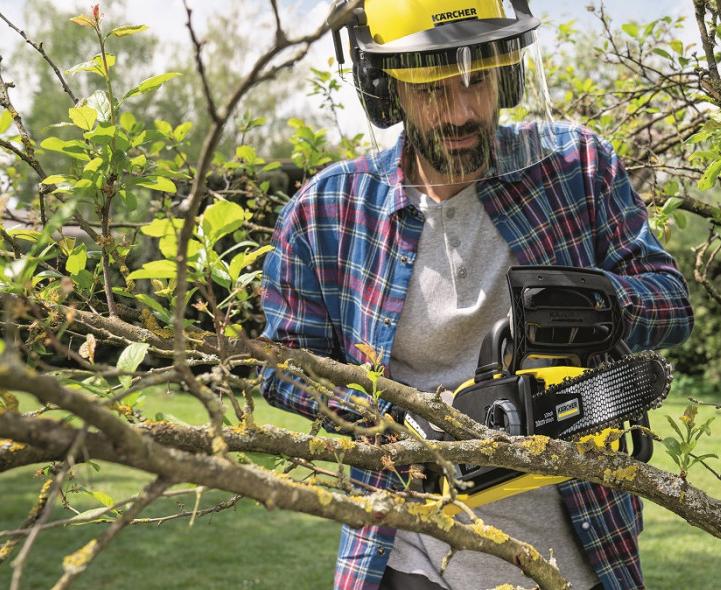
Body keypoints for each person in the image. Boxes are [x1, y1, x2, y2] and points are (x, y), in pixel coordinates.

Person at [259, 1, 694, 589]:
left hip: (578, 548)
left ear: (508, 74)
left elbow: (670, 303)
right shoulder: (328, 209)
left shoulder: (577, 166)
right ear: (385, 87)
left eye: (479, 81)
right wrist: (395, 427)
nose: (462, 110)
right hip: (407, 556)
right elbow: (284, 364)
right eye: (435, 89)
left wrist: (602, 303)